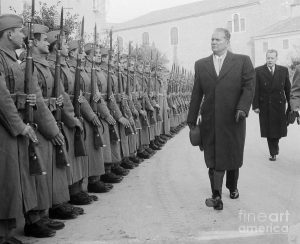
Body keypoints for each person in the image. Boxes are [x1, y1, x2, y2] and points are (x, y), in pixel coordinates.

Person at [187, 28, 255, 210]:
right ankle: (216, 194)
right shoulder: (201, 64)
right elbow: (196, 93)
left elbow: (249, 87)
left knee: (232, 154)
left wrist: (242, 108)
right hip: (210, 119)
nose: (214, 42)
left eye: (217, 39)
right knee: (213, 156)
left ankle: (232, 187)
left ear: (227, 41)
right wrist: (191, 118)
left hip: (234, 118)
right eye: (212, 39)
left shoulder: (242, 61)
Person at [252, 49, 291, 161]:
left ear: (276, 58)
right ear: (266, 58)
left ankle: (275, 145)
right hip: (265, 105)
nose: (270, 60)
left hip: (279, 104)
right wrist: (255, 105)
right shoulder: (258, 71)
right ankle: (273, 152)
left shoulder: (283, 70)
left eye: (272, 58)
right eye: (268, 58)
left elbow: (287, 89)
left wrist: (292, 105)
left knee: (278, 129)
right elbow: (256, 89)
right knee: (269, 129)